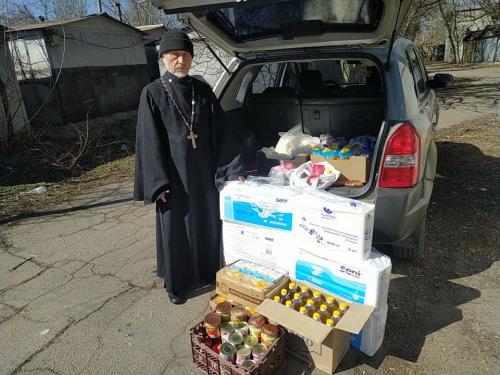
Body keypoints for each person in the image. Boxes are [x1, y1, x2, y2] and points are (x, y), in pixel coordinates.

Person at [134, 30, 245, 305]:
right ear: (163, 58)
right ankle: (178, 285)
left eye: (185, 54)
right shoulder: (152, 93)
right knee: (176, 230)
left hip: (204, 173)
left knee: (207, 222)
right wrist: (158, 183)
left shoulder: (203, 90)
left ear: (191, 58)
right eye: (174, 55)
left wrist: (231, 169)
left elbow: (222, 132)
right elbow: (148, 141)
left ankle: (209, 273)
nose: (180, 60)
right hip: (173, 178)